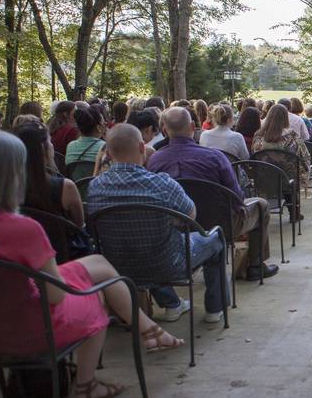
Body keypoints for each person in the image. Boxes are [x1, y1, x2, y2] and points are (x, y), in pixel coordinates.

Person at [0, 129, 183, 398]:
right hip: (31, 330)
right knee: (99, 295)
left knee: (100, 265)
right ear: (10, 176)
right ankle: (87, 386)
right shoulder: (22, 230)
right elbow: (56, 296)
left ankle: (150, 331)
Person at [87, 123, 230, 322]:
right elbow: (191, 215)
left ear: (108, 153)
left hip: (116, 266)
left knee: (145, 243)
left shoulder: (95, 187)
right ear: (141, 147)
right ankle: (215, 308)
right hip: (168, 264)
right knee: (216, 238)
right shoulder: (161, 183)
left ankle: (172, 304)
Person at [145, 108, 277, 282]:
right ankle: (255, 265)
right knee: (261, 205)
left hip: (178, 226)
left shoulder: (154, 160)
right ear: (193, 127)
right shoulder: (215, 157)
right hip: (222, 225)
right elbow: (236, 197)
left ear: (164, 130)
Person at [16, 121, 84, 227]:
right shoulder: (66, 188)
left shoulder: (4, 188)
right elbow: (79, 226)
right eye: (50, 142)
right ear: (44, 149)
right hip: (58, 242)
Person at [253, 103, 311, 170]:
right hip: (289, 177)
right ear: (285, 118)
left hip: (262, 176)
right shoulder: (292, 136)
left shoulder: (259, 136)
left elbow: (254, 157)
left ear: (268, 116)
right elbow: (305, 157)